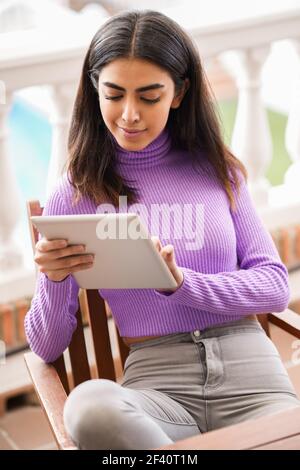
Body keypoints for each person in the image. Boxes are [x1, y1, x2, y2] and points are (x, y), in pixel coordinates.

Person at [25, 9, 300, 450]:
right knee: (88, 407)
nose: (129, 115)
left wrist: (182, 285)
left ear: (179, 92)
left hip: (252, 375)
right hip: (158, 391)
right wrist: (52, 278)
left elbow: (273, 287)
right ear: (95, 89)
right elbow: (46, 345)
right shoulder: (76, 194)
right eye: (114, 95)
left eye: (149, 97)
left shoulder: (218, 171)